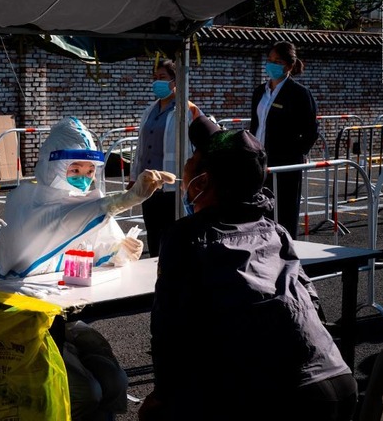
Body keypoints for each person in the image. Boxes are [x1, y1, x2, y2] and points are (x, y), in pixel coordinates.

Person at [139, 116, 357, 421]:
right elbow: (312, 302)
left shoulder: (188, 236)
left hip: (280, 394)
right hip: (335, 376)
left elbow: (169, 328)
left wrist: (161, 395)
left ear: (203, 181)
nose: (185, 165)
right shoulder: (274, 230)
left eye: (192, 158)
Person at [0, 117, 175, 420]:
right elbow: (65, 220)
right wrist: (127, 198)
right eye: (75, 169)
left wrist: (118, 252)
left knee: (114, 381)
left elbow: (87, 252)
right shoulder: (28, 203)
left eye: (90, 171)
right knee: (86, 391)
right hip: (22, 317)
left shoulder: (83, 203)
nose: (84, 177)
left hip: (62, 311)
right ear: (52, 167)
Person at [130, 58, 203, 257]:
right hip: (149, 184)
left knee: (174, 235)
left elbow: (200, 144)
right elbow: (141, 147)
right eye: (155, 78)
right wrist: (134, 177)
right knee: (153, 234)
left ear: (175, 81)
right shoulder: (150, 110)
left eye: (162, 77)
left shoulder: (188, 110)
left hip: (174, 184)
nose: (157, 82)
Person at [250, 41, 318, 240]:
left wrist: (296, 153)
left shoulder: (299, 94)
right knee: (259, 209)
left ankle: (287, 254)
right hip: (259, 162)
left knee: (284, 213)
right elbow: (256, 124)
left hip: (285, 164)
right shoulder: (259, 92)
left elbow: (310, 131)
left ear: (288, 65)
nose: (271, 65)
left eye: (277, 61)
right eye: (270, 60)